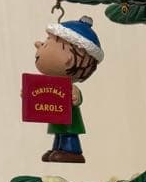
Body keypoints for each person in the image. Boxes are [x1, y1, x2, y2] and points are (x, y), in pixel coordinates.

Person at [32, 15, 103, 163]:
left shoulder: (71, 88)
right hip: (57, 114)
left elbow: (78, 98)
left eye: (46, 45)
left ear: (68, 59)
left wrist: (76, 97)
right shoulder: (51, 85)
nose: (39, 46)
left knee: (69, 133)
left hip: (70, 118)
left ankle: (72, 150)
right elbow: (40, 95)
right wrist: (28, 95)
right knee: (58, 133)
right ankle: (58, 148)